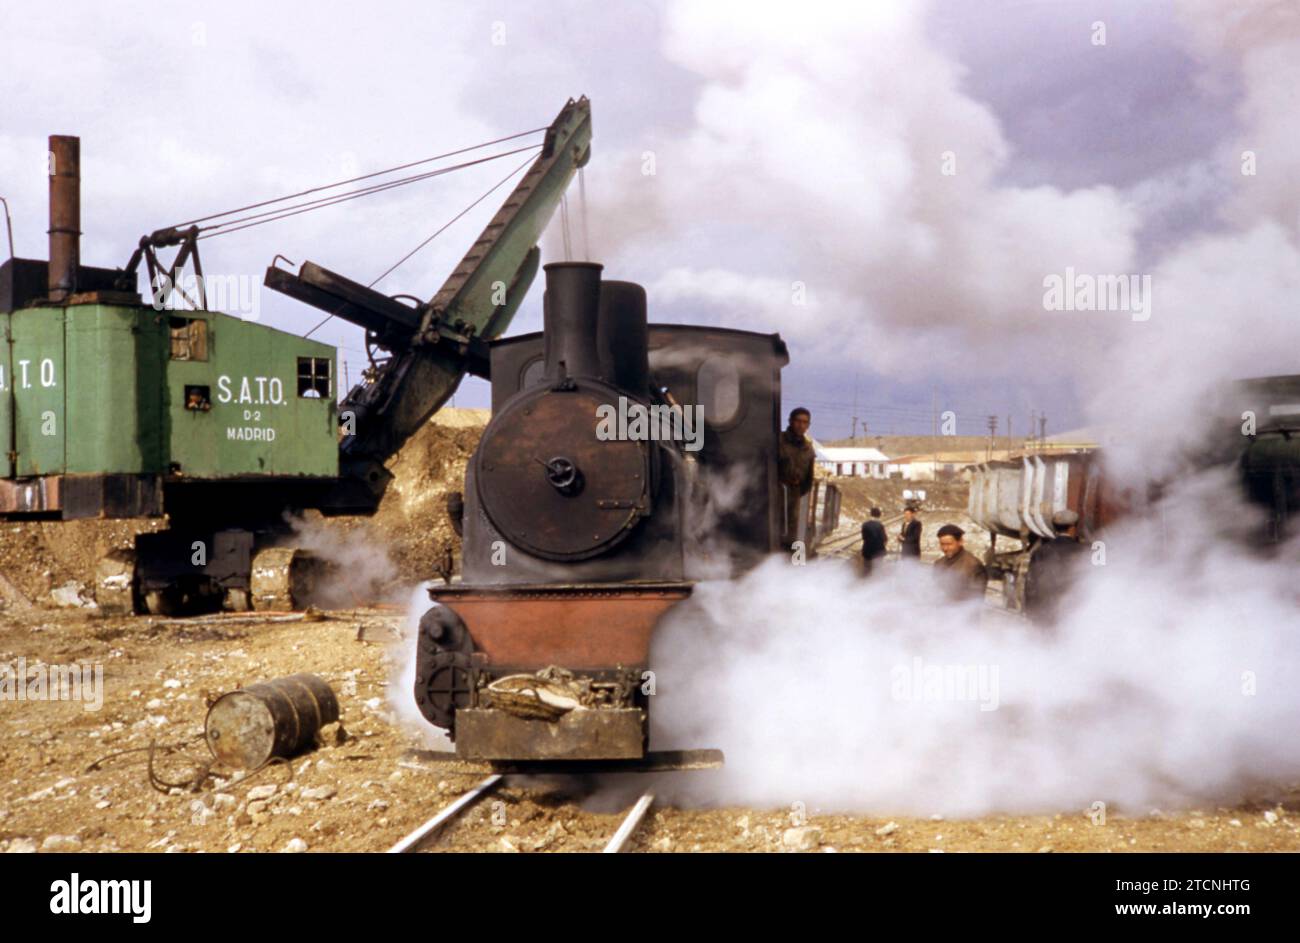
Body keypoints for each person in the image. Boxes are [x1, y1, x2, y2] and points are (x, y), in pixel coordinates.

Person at [1024, 509, 1088, 625]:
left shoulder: (1041, 551)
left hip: (1045, 611)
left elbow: (1031, 583)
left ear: (1054, 527)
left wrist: (1030, 611)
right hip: (1071, 612)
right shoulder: (1082, 552)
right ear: (1073, 528)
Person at [778, 407, 815, 547]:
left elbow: (808, 479)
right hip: (776, 492)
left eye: (805, 422)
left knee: (790, 534)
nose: (801, 425)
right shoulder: (778, 441)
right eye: (798, 421)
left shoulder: (808, 449)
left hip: (794, 494)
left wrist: (796, 490)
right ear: (790, 421)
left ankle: (786, 563)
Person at [933, 523, 987, 602]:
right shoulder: (938, 564)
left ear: (960, 542)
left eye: (949, 544)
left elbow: (976, 599)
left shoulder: (973, 565)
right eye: (942, 544)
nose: (945, 548)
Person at [860, 507, 887, 576]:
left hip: (867, 551)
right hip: (878, 552)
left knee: (866, 570)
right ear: (879, 515)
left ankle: (865, 584)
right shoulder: (880, 525)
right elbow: (884, 539)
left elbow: (864, 537)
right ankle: (875, 584)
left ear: (871, 514)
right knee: (877, 571)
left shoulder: (865, 525)